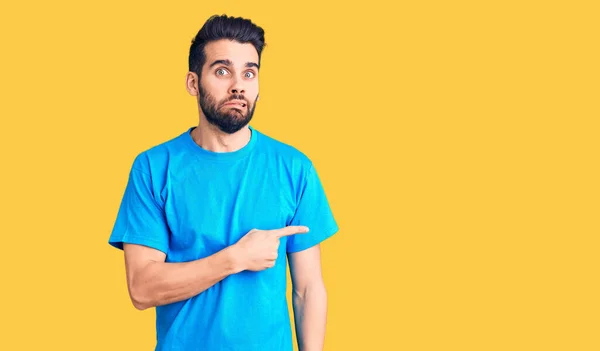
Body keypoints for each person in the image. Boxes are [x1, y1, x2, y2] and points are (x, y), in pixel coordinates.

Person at [108, 14, 339, 351]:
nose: (238, 85)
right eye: (222, 71)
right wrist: (235, 258)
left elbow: (308, 289)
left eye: (249, 72)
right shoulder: (153, 168)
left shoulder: (293, 168)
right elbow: (142, 289)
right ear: (192, 83)